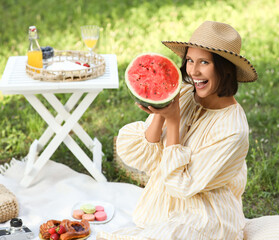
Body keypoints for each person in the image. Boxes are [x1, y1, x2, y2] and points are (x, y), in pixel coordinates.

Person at [97, 21, 258, 240]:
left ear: (225, 69)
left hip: (206, 214)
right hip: (165, 203)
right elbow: (149, 157)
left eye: (204, 62)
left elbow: (184, 185)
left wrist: (173, 122)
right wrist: (160, 112)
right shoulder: (184, 93)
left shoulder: (233, 130)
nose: (193, 71)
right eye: (190, 60)